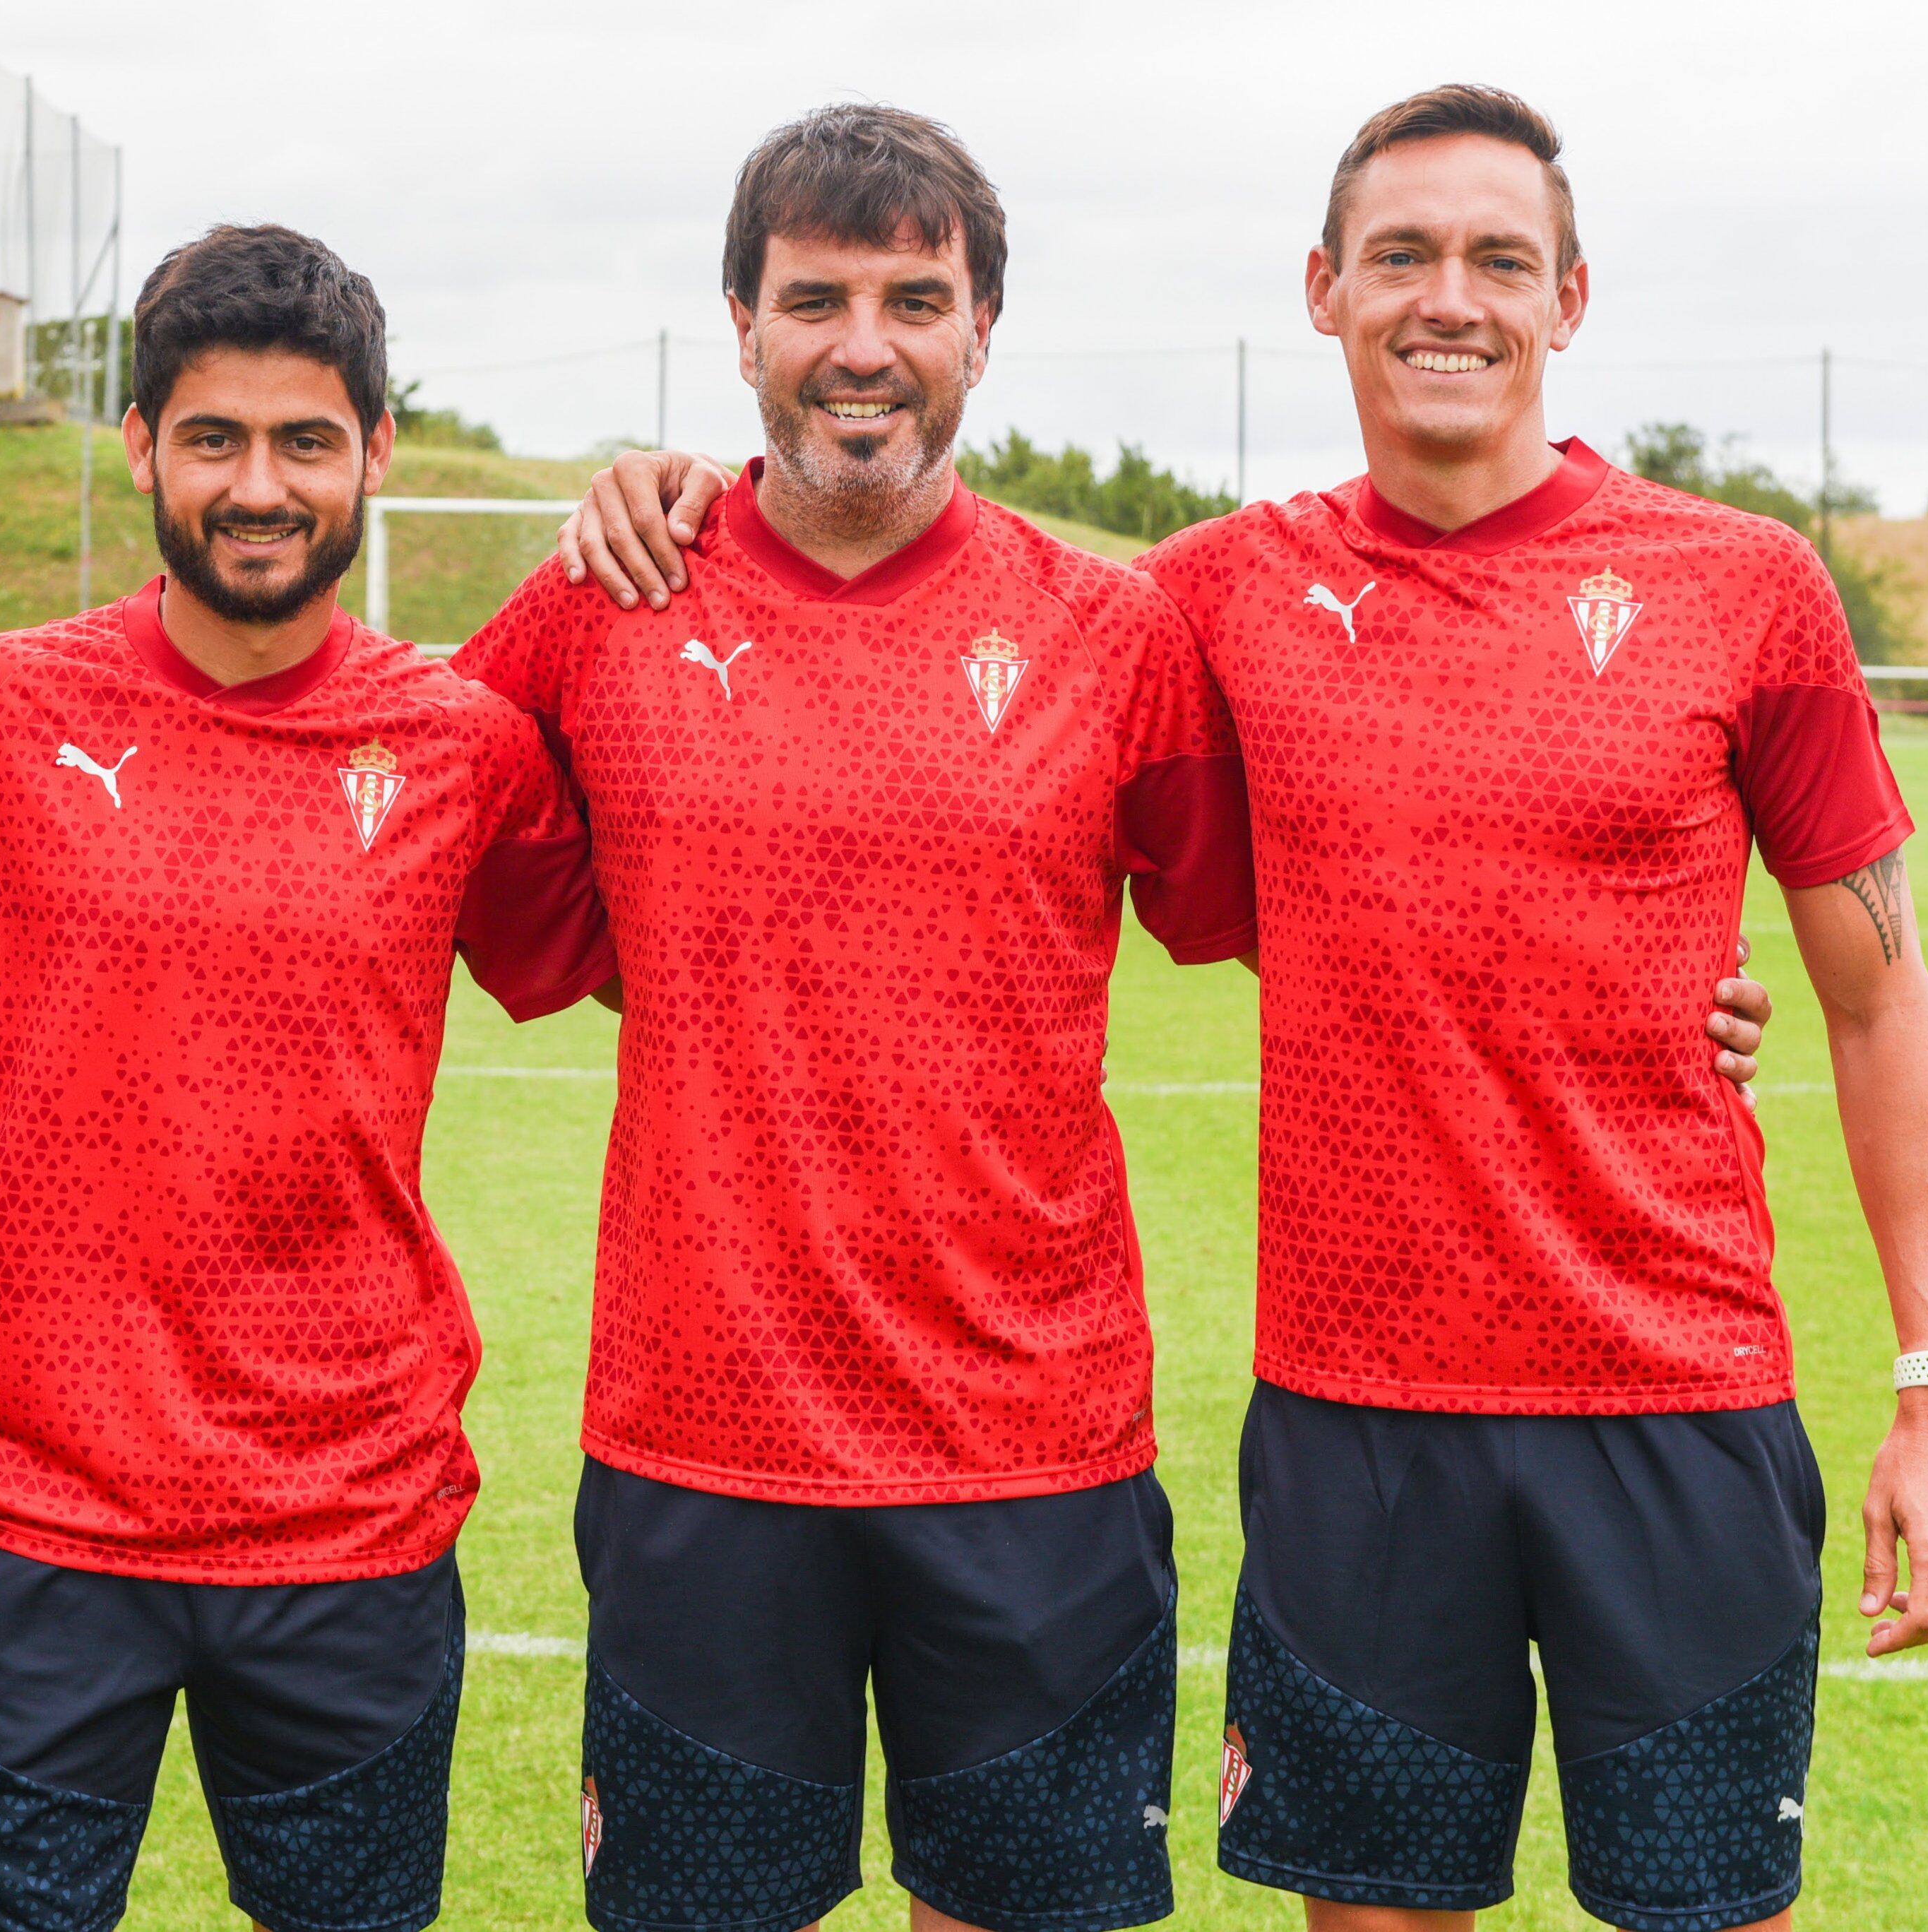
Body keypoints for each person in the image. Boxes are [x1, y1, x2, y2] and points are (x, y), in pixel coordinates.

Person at [559, 81, 1928, 1932]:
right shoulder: (1197, 603)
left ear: (1572, 297)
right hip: (1352, 1425)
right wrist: (686, 489)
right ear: (1326, 289)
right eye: (1400, 255)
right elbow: (925, 589)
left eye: (1497, 258)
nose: (1447, 298)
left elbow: (1878, 1004)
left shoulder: (1745, 587)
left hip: (1676, 1397)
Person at [456, 106, 1263, 1932]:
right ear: (738, 323)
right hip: (701, 1446)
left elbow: (1290, 916)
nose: (865, 346)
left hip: (1033, 1452)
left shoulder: (1111, 632)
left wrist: (1649, 996)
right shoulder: (603, 601)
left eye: (918, 296)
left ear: (985, 328)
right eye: (815, 297)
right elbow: (380, 796)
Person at [0, 224, 612, 1932]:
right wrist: (94, 1122)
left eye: (302, 442)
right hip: (39, 1512)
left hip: (350, 1512)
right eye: (212, 440)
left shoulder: (462, 746)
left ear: (374, 454)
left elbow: (581, 963)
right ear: (139, 448)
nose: (257, 486)